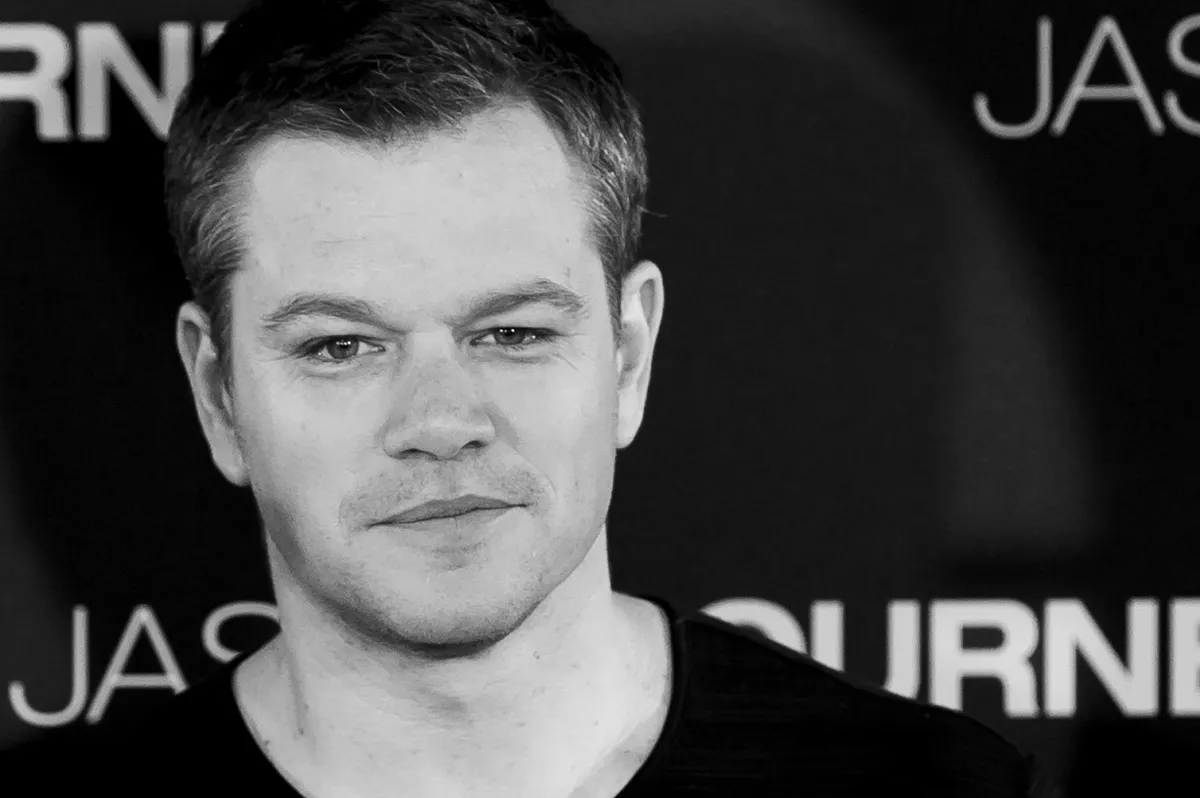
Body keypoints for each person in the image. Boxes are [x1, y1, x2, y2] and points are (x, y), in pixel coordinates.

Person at [2, 1, 1056, 795]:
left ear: (629, 353)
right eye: (339, 346)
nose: (440, 421)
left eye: (511, 333)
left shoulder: (925, 788)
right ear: (218, 393)